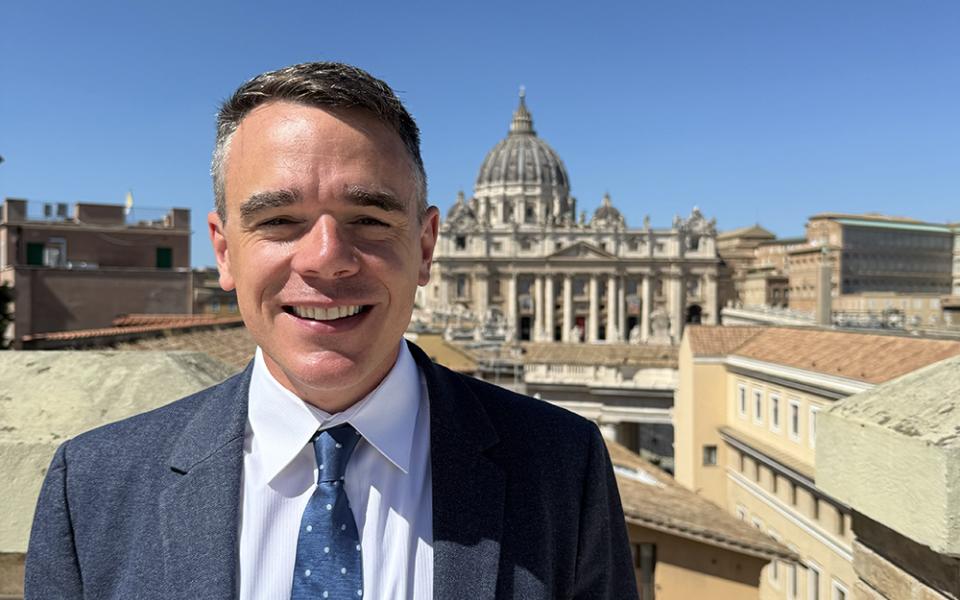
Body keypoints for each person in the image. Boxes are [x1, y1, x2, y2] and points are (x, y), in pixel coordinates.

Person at [25, 62, 638, 599]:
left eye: (368, 218)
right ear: (224, 251)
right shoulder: (91, 488)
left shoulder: (565, 468)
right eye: (280, 220)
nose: (326, 258)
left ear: (426, 247)